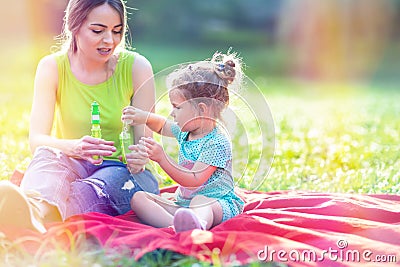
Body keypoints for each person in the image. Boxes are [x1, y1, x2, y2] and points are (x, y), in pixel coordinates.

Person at [0, 0, 159, 233]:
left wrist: (140, 154)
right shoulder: (52, 67)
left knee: (92, 189)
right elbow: (37, 140)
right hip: (69, 159)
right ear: (74, 26)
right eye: (97, 30)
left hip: (119, 168)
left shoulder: (137, 67)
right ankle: (34, 212)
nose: (109, 41)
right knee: (47, 157)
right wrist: (74, 147)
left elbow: (144, 140)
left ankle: (37, 218)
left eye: (117, 31)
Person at [125, 52, 245, 232]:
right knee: (139, 198)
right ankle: (176, 226)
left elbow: (194, 181)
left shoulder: (216, 142)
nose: (172, 113)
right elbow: (162, 125)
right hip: (184, 204)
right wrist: (144, 117)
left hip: (217, 204)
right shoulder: (186, 131)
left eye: (177, 107)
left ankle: (198, 225)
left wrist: (162, 158)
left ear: (201, 109)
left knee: (200, 201)